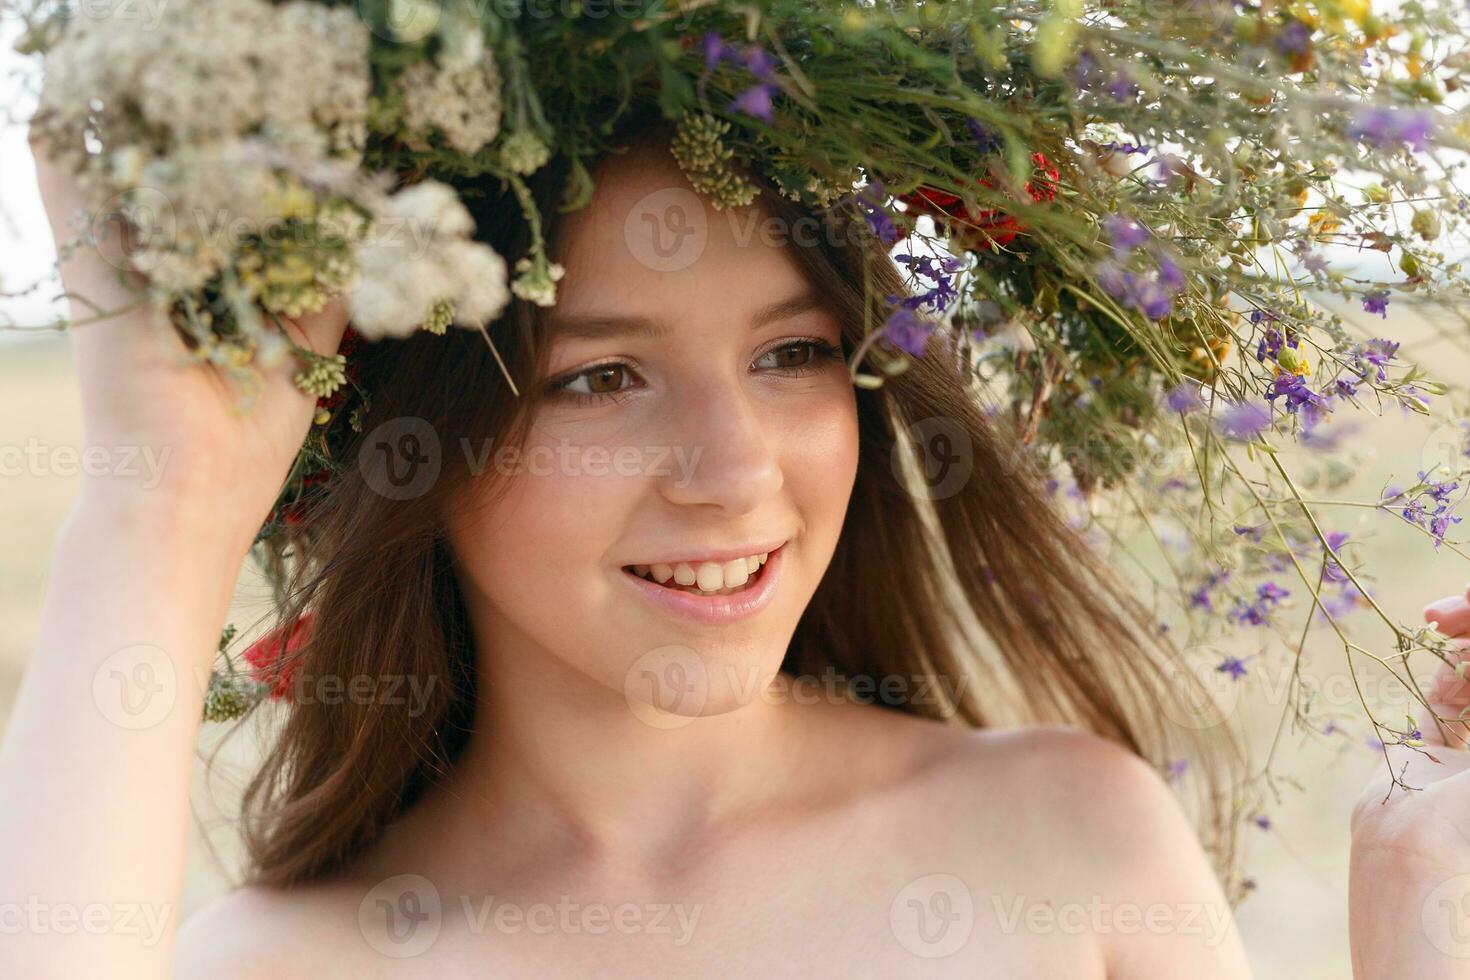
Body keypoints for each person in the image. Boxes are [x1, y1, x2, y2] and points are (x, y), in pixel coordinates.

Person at [6, 111, 1459, 979]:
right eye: (599, 376)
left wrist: (1419, 917)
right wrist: (164, 505)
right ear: (411, 444)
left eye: (792, 354)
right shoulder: (284, 963)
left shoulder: (1066, 834)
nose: (732, 471)